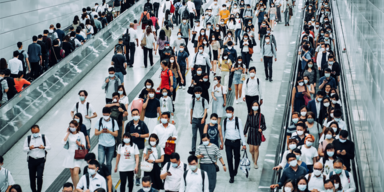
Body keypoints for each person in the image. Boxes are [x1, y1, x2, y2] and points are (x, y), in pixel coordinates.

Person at [125, 109, 150, 185]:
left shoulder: (142, 124)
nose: (135, 115)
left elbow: (147, 134)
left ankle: (138, 178)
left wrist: (139, 135)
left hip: (140, 147)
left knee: (138, 163)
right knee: (130, 162)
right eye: (134, 114)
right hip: (130, 147)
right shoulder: (129, 124)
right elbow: (125, 135)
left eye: (136, 114)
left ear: (139, 114)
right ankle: (131, 178)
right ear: (131, 115)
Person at [22, 125, 50, 192]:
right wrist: (29, 148)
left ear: (39, 130)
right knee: (32, 177)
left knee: (40, 176)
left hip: (40, 160)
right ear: (31, 131)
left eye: (36, 132)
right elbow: (24, 149)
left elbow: (49, 146)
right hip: (31, 160)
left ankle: (39, 190)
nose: (35, 134)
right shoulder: (28, 138)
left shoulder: (43, 137)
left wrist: (44, 147)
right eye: (33, 132)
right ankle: (34, 190)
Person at [223, 106, 246, 183]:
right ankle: (231, 176)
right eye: (227, 112)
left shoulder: (237, 120)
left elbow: (241, 132)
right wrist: (221, 143)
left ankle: (235, 169)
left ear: (233, 112)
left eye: (229, 112)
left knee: (237, 157)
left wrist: (244, 143)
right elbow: (223, 132)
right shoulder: (225, 121)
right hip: (228, 142)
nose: (228, 113)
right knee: (229, 158)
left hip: (236, 142)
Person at [62, 120, 86, 189]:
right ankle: (75, 188)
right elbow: (63, 142)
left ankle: (78, 188)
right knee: (72, 173)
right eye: (70, 126)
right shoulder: (68, 134)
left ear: (77, 126)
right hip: (70, 155)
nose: (71, 128)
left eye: (73, 126)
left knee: (76, 172)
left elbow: (84, 145)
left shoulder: (80, 134)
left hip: (78, 155)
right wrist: (67, 133)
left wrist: (80, 144)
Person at [95, 107, 119, 173]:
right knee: (100, 162)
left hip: (111, 145)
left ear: (110, 113)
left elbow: (116, 134)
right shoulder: (99, 121)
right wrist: (101, 131)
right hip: (101, 144)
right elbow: (96, 133)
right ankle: (101, 176)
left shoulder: (114, 122)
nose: (105, 116)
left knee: (108, 163)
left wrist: (109, 132)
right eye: (104, 115)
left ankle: (108, 178)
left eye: (107, 115)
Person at [244, 101, 266, 168]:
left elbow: (264, 125)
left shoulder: (261, 116)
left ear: (258, 106)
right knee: (251, 150)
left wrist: (261, 129)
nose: (255, 106)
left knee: (256, 148)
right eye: (254, 105)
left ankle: (255, 162)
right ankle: (253, 156)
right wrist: (244, 132)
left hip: (257, 133)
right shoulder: (249, 115)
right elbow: (247, 124)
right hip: (251, 132)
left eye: (256, 105)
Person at [190, 86, 209, 152]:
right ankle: (193, 149)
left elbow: (205, 110)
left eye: (198, 92)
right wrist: (191, 119)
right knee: (194, 135)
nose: (197, 93)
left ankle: (202, 148)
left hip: (201, 119)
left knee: (202, 135)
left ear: (201, 93)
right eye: (196, 92)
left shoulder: (204, 100)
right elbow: (191, 110)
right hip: (194, 119)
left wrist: (203, 118)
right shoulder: (193, 101)